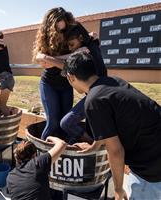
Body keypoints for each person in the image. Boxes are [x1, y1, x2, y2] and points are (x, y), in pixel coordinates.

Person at [62, 52, 161, 200]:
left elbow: (115, 151)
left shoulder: (94, 100)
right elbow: (111, 127)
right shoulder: (113, 82)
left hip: (151, 171)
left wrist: (118, 188)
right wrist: (94, 146)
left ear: (71, 77)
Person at [32, 7, 76, 140]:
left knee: (66, 124)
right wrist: (69, 57)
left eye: (63, 29)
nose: (61, 32)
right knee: (53, 123)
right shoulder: (44, 38)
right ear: (50, 28)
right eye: (58, 29)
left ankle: (64, 155)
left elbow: (73, 61)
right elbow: (41, 61)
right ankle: (41, 154)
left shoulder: (71, 33)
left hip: (66, 85)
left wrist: (49, 59)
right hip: (49, 84)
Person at [59, 24, 107, 144]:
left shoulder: (88, 51)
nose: (71, 49)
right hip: (97, 92)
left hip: (98, 94)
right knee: (89, 127)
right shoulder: (90, 45)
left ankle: (92, 145)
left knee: (67, 123)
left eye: (72, 44)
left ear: (80, 38)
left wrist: (48, 58)